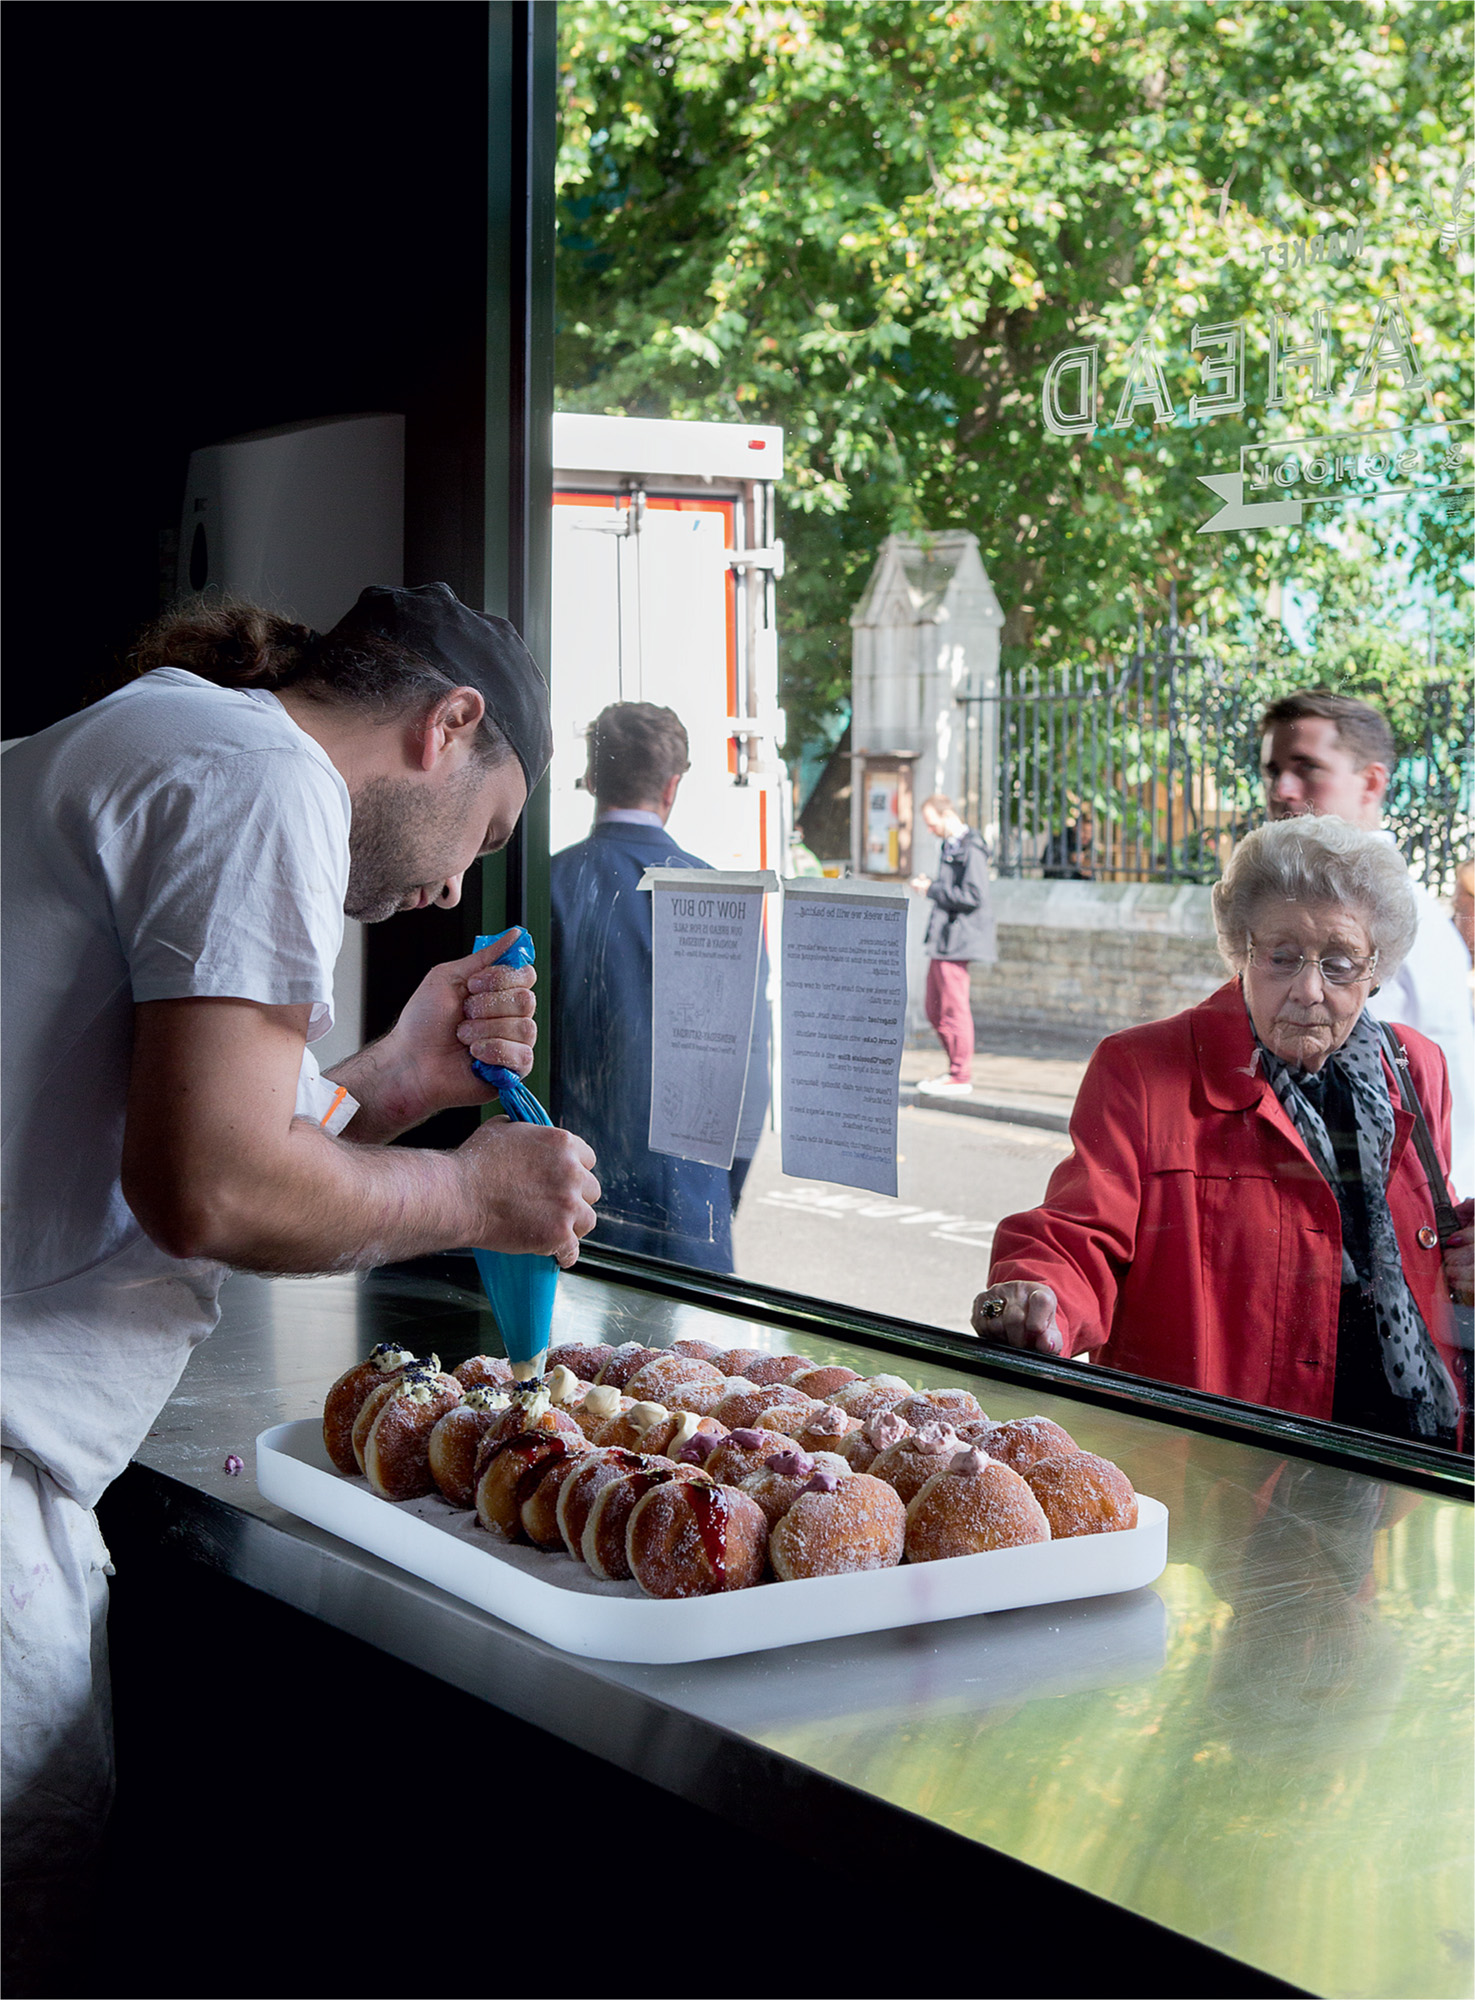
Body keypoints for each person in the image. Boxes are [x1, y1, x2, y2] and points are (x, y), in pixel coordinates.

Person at [1, 583, 600, 1990]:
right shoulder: (260, 777)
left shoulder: (164, 736)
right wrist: (474, 1191)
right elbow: (209, 1184)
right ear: (445, 729)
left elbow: (167, 1129)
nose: (457, 886)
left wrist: (397, 1082)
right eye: (487, 831)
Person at [975, 817, 1473, 1446]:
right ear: (1243, 949)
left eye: (1340, 963)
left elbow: (1423, 1231)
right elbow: (1080, 1233)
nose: (1308, 989)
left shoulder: (1414, 1068)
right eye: (1282, 957)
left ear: (1376, 969)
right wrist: (1036, 1298)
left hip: (1398, 1458)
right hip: (1222, 1468)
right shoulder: (1143, 1070)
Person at [550, 701, 769, 1269]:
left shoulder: (547, 886)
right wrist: (719, 1193)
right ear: (672, 787)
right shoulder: (726, 899)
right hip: (693, 1213)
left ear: (593, 779)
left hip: (570, 1212)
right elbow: (749, 1074)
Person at [1259, 689, 1474, 1196]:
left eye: (1308, 768)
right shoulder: (1296, 907)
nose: (1283, 789)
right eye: (1272, 771)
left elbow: (1438, 1108)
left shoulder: (1397, 922)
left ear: (1371, 783)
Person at [909, 793, 996, 1098]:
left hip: (959, 940)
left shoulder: (971, 847)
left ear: (947, 816)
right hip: (944, 941)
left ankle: (960, 1075)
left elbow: (974, 895)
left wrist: (931, 888)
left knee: (953, 1010)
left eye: (932, 824)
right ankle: (954, 1070)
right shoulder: (951, 845)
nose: (930, 830)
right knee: (934, 1008)